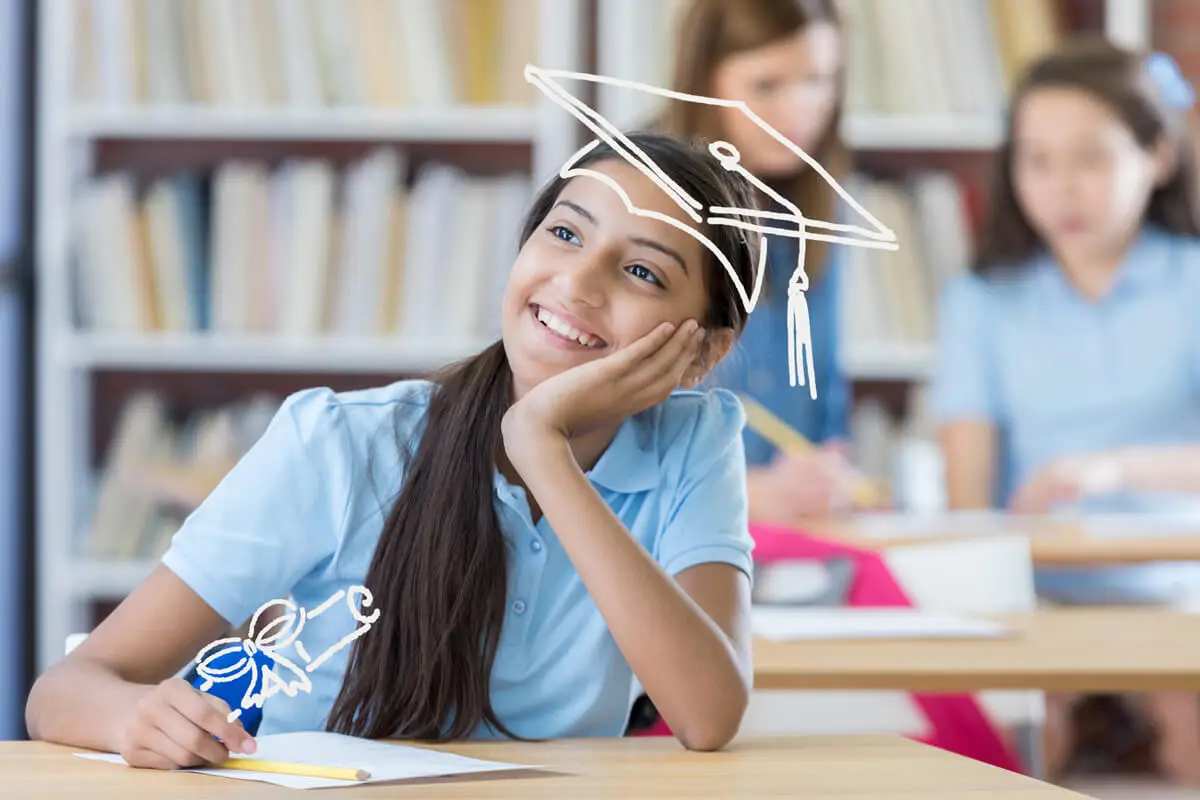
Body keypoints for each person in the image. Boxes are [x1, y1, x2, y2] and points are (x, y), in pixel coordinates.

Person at [25, 132, 766, 768]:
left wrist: (542, 447)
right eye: (565, 234)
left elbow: (707, 716)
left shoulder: (693, 441)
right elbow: (64, 691)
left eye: (642, 272)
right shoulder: (339, 444)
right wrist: (136, 720)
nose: (578, 280)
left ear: (704, 349)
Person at [931, 38, 1200, 783]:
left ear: (1157, 158)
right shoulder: (981, 299)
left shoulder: (1191, 281)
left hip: (1179, 580)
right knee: (1005, 752)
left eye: (1090, 158)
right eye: (1037, 161)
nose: (1061, 188)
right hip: (1037, 583)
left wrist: (1115, 468)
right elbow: (966, 493)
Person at [655, 0, 872, 526]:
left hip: (791, 547)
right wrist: (749, 492)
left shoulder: (815, 206)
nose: (800, 109)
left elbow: (824, 396)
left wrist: (830, 468)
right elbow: (599, 436)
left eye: (819, 80)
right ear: (704, 82)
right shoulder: (643, 198)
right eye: (767, 86)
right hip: (671, 541)